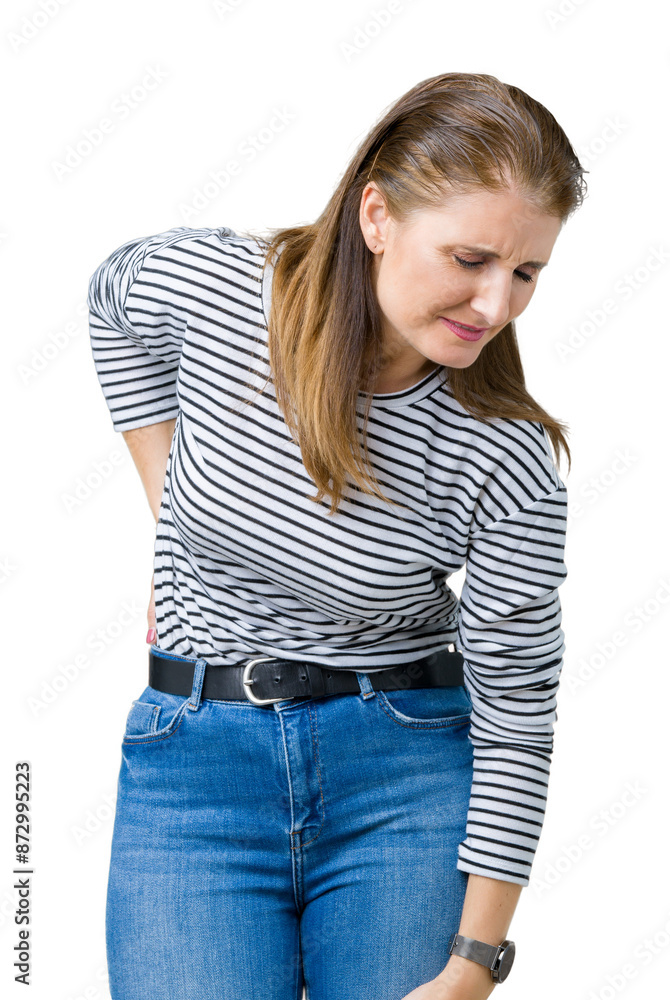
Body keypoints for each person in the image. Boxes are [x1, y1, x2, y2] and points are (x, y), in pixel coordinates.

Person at [87, 71, 586, 1000]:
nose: (495, 305)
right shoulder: (219, 293)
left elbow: (518, 711)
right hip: (194, 773)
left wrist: (474, 963)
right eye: (469, 258)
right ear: (377, 216)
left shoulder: (505, 451)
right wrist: (170, 514)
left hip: (401, 780)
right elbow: (112, 296)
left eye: (525, 273)